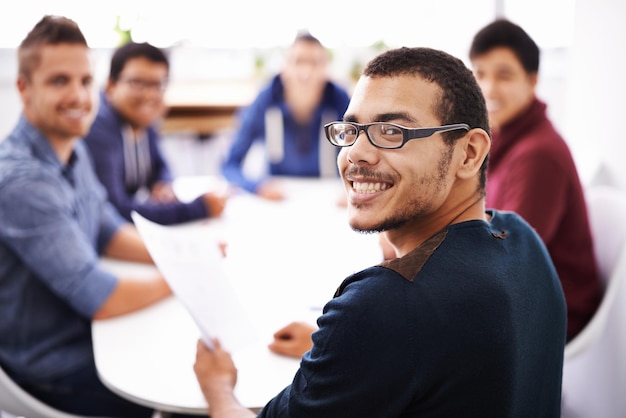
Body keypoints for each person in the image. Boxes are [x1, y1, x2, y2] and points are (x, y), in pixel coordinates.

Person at [193, 47, 567, 417]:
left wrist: (219, 388)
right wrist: (356, 350)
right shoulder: (522, 238)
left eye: (391, 131)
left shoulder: (382, 309)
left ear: (468, 154)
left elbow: (400, 324)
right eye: (351, 129)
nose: (355, 152)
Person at [0, 16, 172, 417]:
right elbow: (101, 297)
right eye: (59, 80)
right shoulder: (20, 179)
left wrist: (180, 254)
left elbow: (108, 231)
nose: (78, 95)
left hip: (87, 336)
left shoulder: (72, 151)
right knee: (181, 388)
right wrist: (180, 282)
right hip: (51, 368)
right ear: (23, 88)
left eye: (84, 80)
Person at [469, 18, 601, 341]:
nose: (488, 89)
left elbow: (505, 258)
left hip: (549, 317)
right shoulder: (502, 138)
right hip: (522, 301)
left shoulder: (538, 155)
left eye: (504, 75)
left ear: (532, 81)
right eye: (480, 74)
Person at [84, 41, 227, 225]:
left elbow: (160, 166)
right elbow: (114, 209)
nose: (150, 95)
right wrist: (199, 208)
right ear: (111, 86)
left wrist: (163, 185)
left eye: (158, 85)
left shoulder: (142, 121)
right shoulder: (98, 127)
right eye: (137, 83)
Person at [221, 31, 351, 200]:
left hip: (329, 198)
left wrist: (352, 189)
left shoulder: (341, 101)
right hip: (279, 200)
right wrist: (258, 187)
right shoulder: (265, 100)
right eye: (298, 62)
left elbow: (362, 157)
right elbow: (230, 165)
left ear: (326, 69)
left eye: (315, 63)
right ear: (284, 68)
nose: (306, 72)